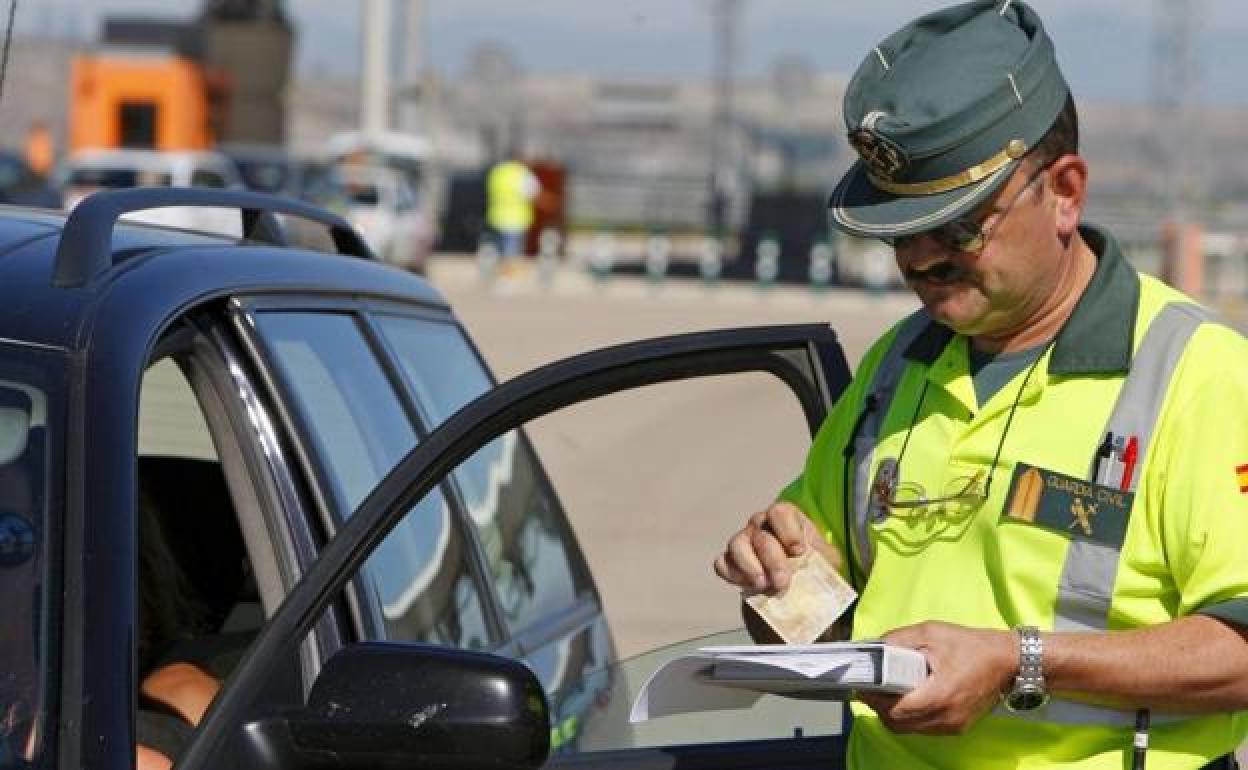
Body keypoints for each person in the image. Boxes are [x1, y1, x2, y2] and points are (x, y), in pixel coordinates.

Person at [714, 2, 1248, 769]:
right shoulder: (898, 364)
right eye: (899, 231)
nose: (921, 259)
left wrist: (1018, 661)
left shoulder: (1196, 376)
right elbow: (817, 625)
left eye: (959, 225)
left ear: (1065, 191)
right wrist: (775, 579)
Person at [486, 149, 541, 258]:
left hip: (497, 217)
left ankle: (497, 270)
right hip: (515, 219)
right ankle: (508, 272)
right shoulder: (522, 174)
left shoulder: (498, 172)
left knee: (498, 249)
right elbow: (533, 194)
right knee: (511, 251)